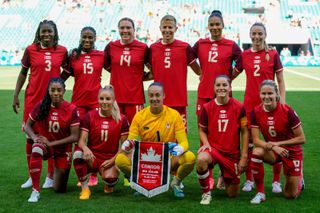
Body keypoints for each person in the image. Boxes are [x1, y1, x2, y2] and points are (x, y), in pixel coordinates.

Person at [12, 20, 68, 189]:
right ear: (38, 33)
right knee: (30, 137)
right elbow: (23, 73)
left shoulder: (62, 51)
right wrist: (15, 95)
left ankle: (50, 177)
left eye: (49, 31)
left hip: (52, 101)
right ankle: (32, 175)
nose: (46, 34)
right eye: (43, 31)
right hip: (32, 99)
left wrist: (57, 85)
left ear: (54, 33)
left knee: (51, 136)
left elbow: (67, 71)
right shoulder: (31, 50)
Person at [115, 82, 196, 198]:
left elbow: (184, 142)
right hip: (147, 159)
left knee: (190, 157)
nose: (154, 99)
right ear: (148, 96)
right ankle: (140, 183)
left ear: (163, 96)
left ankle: (176, 183)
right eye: (151, 95)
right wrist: (127, 145)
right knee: (120, 160)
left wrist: (180, 148)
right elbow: (131, 140)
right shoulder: (140, 116)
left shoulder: (174, 115)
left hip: (168, 158)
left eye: (157, 95)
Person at [233, 22, 286, 193]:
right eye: (253, 34)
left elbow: (281, 80)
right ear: (250, 35)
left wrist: (282, 102)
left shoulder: (273, 54)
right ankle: (249, 180)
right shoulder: (244, 55)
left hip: (270, 106)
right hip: (249, 107)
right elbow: (231, 75)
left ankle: (276, 181)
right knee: (248, 144)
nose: (256, 37)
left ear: (265, 35)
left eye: (259, 34)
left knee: (274, 141)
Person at [193, 10, 241, 190]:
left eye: (217, 24)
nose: (215, 27)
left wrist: (230, 78)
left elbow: (242, 61)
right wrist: (201, 73)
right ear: (208, 26)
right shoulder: (200, 44)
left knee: (228, 135)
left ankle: (224, 172)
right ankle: (209, 175)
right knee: (203, 132)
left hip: (223, 95)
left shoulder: (231, 45)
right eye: (211, 25)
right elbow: (190, 58)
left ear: (222, 25)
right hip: (204, 94)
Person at [61, 26, 104, 187]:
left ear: (95, 39)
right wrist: (51, 89)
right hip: (78, 104)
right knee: (78, 140)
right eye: (84, 37)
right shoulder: (74, 56)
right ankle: (82, 174)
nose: (87, 40)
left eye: (90, 37)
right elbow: (63, 76)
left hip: (95, 104)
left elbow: (115, 69)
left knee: (94, 140)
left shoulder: (101, 55)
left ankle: (93, 174)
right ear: (80, 38)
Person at [249, 80, 305, 204]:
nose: (267, 97)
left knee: (290, 195)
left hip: (292, 152)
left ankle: (299, 177)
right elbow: (256, 140)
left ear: (276, 94)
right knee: (257, 151)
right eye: (263, 94)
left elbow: (302, 138)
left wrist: (277, 144)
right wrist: (273, 147)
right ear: (259, 94)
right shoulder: (255, 112)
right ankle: (260, 193)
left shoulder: (287, 111)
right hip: (274, 152)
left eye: (270, 93)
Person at [24, 78, 80, 202]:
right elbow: (27, 126)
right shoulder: (41, 105)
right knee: (36, 149)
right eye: (52, 90)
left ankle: (54, 172)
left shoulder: (72, 109)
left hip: (62, 150)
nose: (56, 93)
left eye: (59, 90)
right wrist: (35, 138)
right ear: (48, 91)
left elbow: (74, 137)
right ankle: (35, 191)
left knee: (59, 189)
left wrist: (52, 143)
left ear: (64, 91)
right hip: (45, 146)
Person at [197, 75, 249, 205]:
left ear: (230, 87)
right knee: (201, 159)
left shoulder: (239, 107)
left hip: (231, 154)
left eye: (224, 85)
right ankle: (206, 194)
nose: (221, 88)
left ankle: (224, 174)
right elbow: (201, 130)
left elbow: (245, 132)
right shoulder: (207, 107)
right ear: (214, 88)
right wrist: (207, 144)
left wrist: (244, 156)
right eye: (218, 85)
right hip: (213, 150)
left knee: (232, 194)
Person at [73, 86, 129, 200]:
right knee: (78, 154)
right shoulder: (90, 116)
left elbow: (124, 147)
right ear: (98, 99)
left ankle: (108, 185)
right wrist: (85, 148)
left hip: (109, 159)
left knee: (111, 179)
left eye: (108, 99)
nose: (104, 102)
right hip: (92, 157)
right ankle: (85, 188)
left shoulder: (122, 119)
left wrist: (113, 160)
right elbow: (81, 141)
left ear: (113, 100)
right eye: (101, 98)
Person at [148, 14, 201, 129]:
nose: (167, 30)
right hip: (159, 100)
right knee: (160, 135)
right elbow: (153, 71)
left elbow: (198, 71)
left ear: (176, 29)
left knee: (180, 137)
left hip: (179, 100)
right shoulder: (153, 48)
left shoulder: (184, 47)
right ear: (160, 28)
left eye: (170, 27)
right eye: (164, 27)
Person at [104, 17, 150, 124]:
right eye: (122, 28)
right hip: (115, 98)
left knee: (133, 133)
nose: (125, 30)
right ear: (118, 29)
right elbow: (106, 65)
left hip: (135, 99)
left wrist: (138, 77)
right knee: (115, 131)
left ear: (134, 30)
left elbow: (154, 72)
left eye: (128, 28)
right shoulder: (111, 46)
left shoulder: (143, 48)